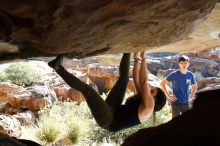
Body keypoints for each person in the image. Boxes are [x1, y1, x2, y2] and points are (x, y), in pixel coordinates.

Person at [48, 51, 166, 132]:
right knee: (124, 78)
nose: (149, 90)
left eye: (153, 91)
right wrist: (136, 58)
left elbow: (144, 81)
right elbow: (136, 79)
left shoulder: (149, 107)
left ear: (155, 100)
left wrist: (144, 58)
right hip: (113, 107)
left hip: (108, 121)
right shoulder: (145, 100)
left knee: (87, 89)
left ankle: (57, 67)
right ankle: (127, 50)